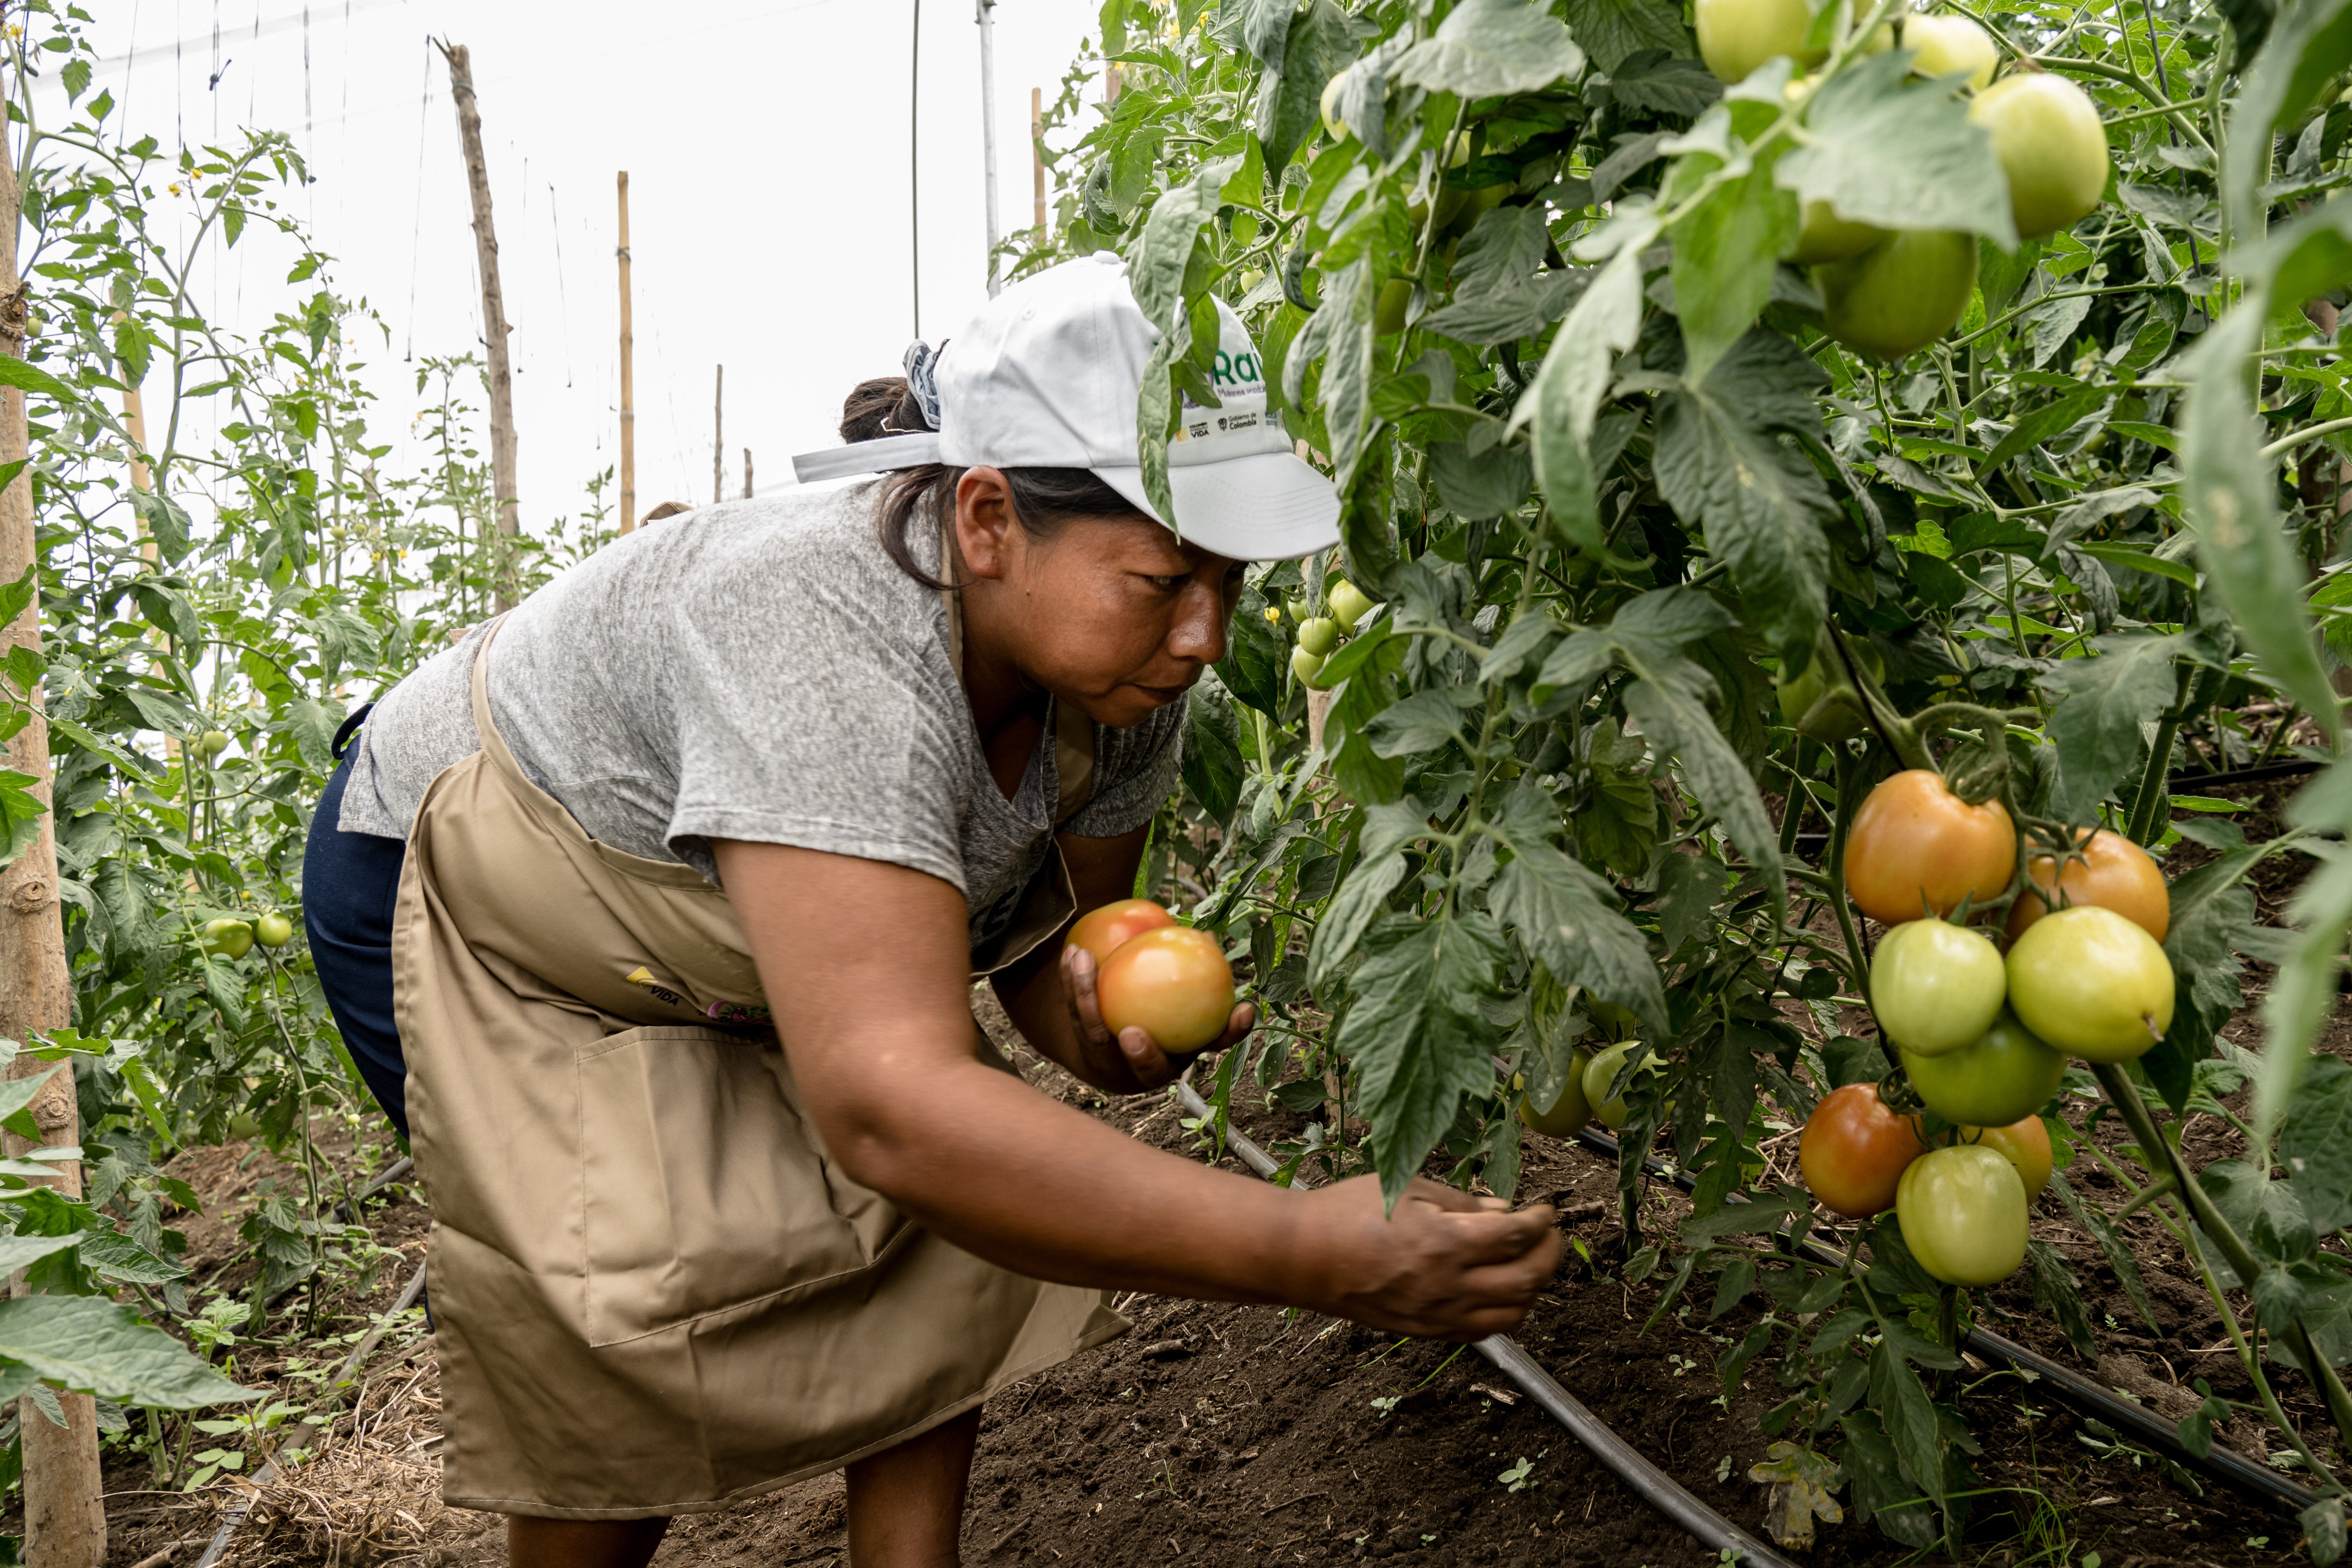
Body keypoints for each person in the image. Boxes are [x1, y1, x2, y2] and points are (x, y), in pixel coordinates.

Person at [301, 252, 1559, 1568]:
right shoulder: (816, 629)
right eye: (1162, 579)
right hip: (486, 888)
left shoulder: (1123, 680)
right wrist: (1307, 1246)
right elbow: (892, 1108)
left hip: (722, 931)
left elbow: (1033, 943)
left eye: (1230, 582)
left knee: (940, 1206)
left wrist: (1091, 1024)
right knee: (623, 1283)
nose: (1204, 635)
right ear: (988, 521)